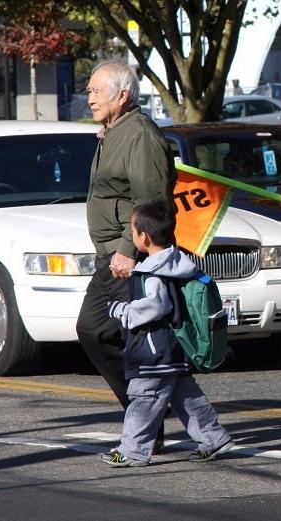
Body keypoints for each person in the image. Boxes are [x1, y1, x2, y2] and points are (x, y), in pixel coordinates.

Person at [75, 61, 177, 440]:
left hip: (131, 259)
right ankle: (150, 406)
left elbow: (150, 201)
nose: (89, 99)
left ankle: (149, 415)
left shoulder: (140, 135)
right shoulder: (113, 131)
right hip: (112, 257)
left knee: (112, 334)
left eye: (95, 91)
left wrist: (127, 251)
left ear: (122, 94)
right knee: (94, 331)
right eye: (88, 91)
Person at [101, 200, 233, 467]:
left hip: (153, 350)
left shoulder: (151, 272)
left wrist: (123, 311)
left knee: (143, 399)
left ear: (144, 237)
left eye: (133, 231)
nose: (133, 236)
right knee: (186, 396)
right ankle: (213, 437)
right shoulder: (178, 263)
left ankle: (133, 450)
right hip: (177, 345)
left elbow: (157, 305)